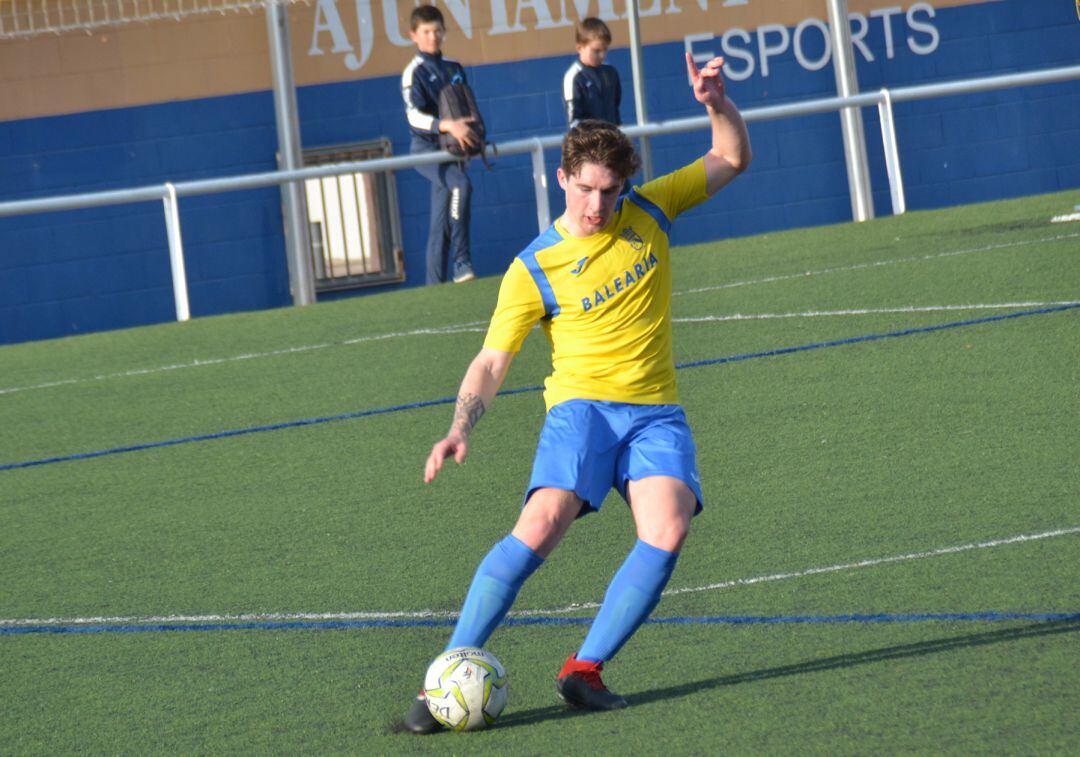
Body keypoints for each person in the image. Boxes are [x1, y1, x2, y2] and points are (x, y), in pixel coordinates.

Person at [405, 53, 751, 733]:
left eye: (610, 191)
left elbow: (731, 157)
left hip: (655, 412)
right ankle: (443, 675)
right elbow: (491, 359)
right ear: (563, 179)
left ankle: (584, 670)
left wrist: (716, 102)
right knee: (541, 524)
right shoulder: (534, 266)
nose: (598, 204)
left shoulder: (651, 209)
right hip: (581, 411)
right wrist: (461, 425)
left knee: (669, 527)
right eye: (586, 188)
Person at [401, 4, 479, 284]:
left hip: (452, 151)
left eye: (437, 31)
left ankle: (435, 287)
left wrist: (471, 131)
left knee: (440, 224)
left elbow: (464, 106)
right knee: (461, 185)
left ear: (444, 32)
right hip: (426, 151)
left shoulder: (453, 67)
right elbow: (412, 116)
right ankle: (462, 261)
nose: (432, 37)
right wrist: (444, 125)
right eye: (426, 32)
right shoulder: (414, 71)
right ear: (413, 35)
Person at [563, 17, 622, 126]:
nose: (602, 55)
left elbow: (615, 109)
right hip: (590, 141)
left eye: (605, 49)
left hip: (612, 139)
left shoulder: (610, 72)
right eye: (596, 51)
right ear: (579, 48)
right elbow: (574, 122)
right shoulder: (574, 77)